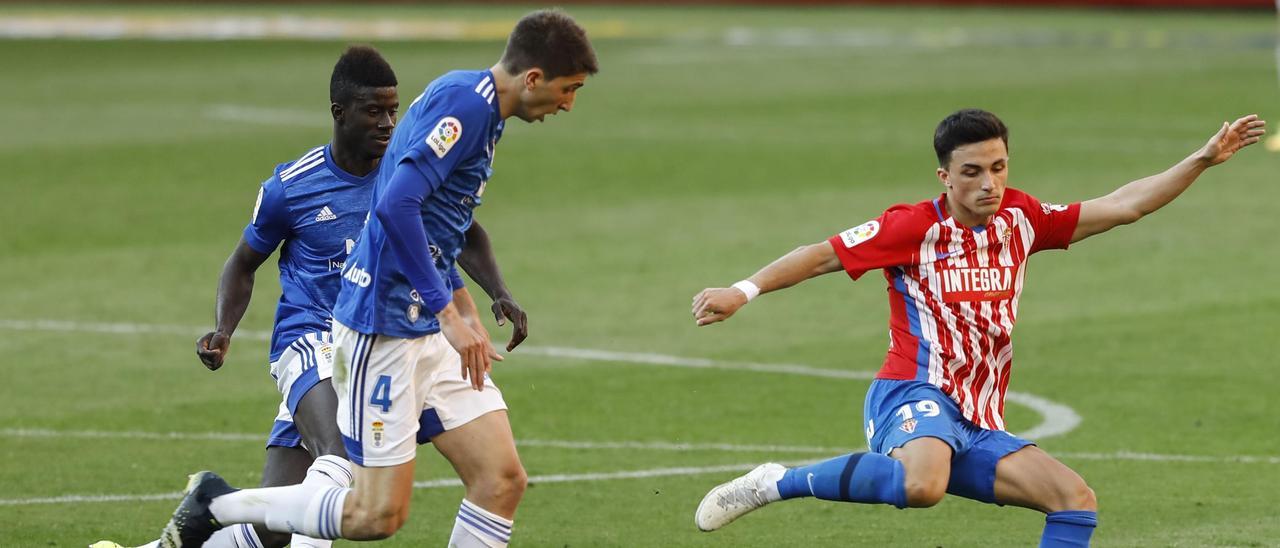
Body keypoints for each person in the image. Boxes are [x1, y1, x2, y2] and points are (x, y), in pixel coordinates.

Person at [690, 109, 1265, 547]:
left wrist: (1201, 159)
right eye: (971, 172)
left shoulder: (1023, 218)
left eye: (998, 167)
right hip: (911, 393)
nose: (988, 183)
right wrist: (742, 292)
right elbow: (821, 255)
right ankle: (776, 481)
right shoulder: (911, 227)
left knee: (1074, 500)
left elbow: (1124, 205)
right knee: (923, 486)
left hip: (977, 415)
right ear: (945, 176)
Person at [157, 9, 597, 547]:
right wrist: (446, 311)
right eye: (569, 89)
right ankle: (218, 504)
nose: (570, 103)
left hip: (427, 325)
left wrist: (465, 304)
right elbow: (396, 204)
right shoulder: (465, 108)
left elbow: (443, 219)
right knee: (374, 516)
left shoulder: (478, 104)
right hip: (382, 327)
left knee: (501, 479)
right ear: (534, 79)